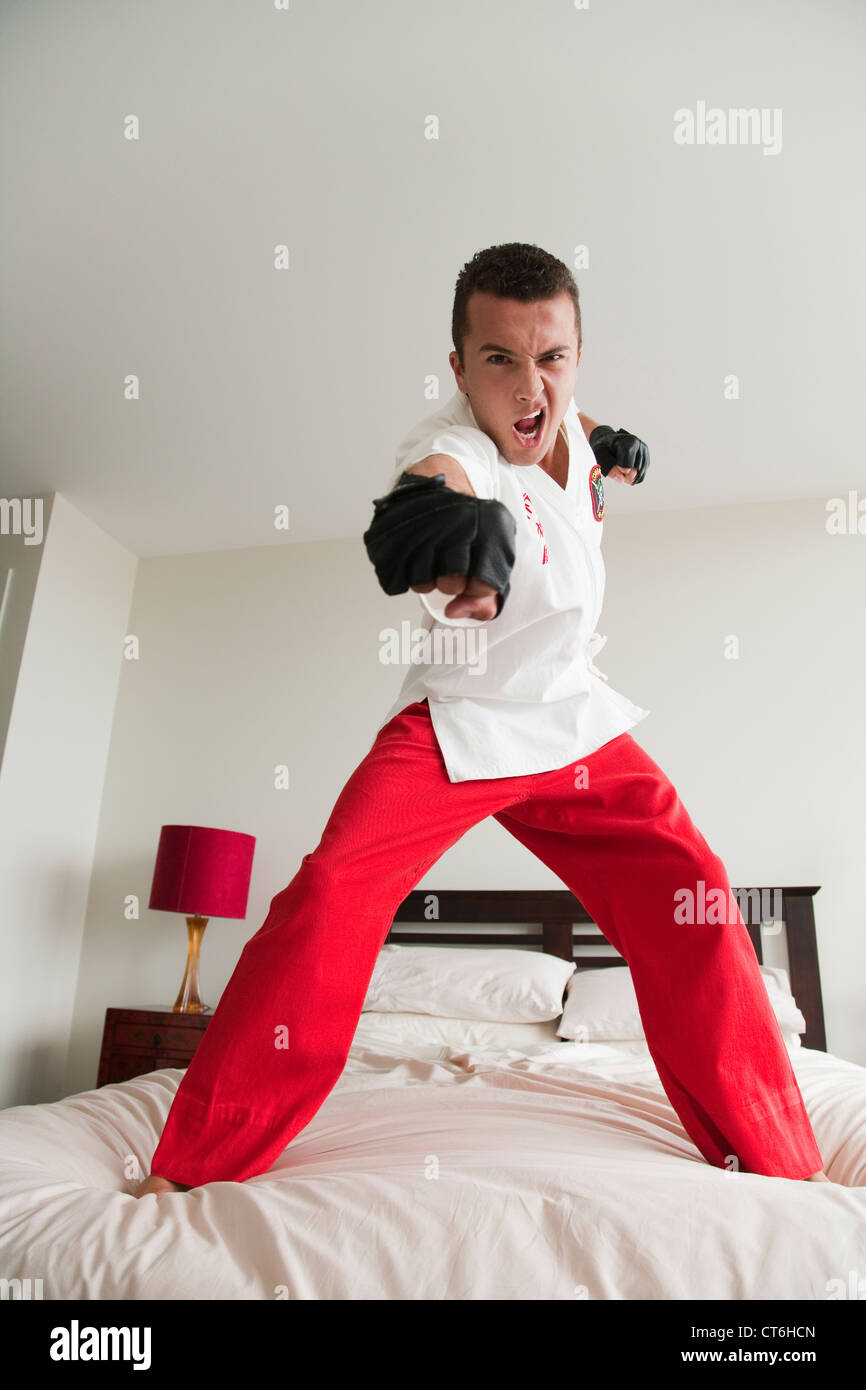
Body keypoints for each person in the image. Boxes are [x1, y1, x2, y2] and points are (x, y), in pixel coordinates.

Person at [137, 242, 829, 1196]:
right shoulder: (454, 446)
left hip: (574, 724)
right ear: (459, 368)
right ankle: (194, 1166)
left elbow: (572, 425)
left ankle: (779, 1159)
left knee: (698, 896)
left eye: (552, 357)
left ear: (578, 357)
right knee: (331, 896)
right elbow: (438, 475)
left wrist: (611, 442)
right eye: (499, 359)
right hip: (458, 725)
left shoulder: (569, 426)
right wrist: (438, 525)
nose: (527, 384)